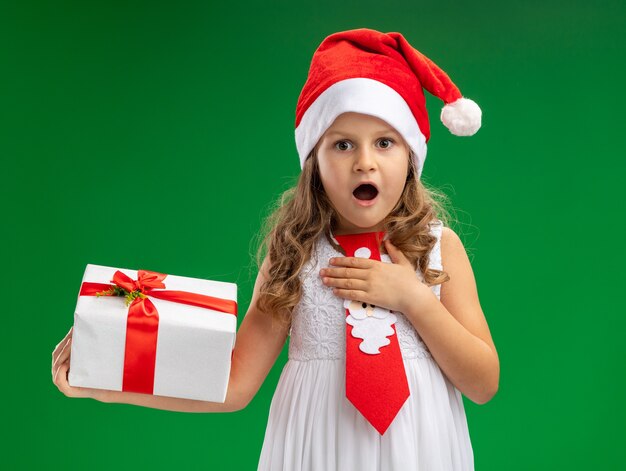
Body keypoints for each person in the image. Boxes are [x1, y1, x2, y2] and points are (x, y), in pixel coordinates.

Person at [52, 28, 499, 470]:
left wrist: (415, 299)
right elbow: (232, 383)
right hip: (314, 453)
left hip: (420, 454)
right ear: (314, 162)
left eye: (385, 142)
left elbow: (483, 383)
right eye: (342, 144)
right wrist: (105, 383)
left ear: (411, 156)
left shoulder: (438, 248)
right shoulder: (294, 255)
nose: (365, 160)